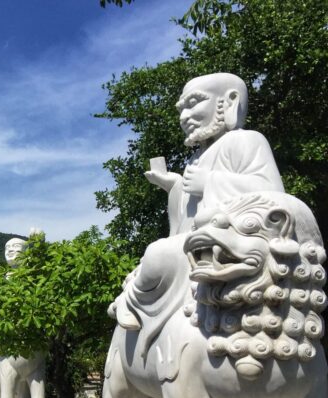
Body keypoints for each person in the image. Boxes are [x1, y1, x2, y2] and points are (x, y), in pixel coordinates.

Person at [109, 72, 284, 357]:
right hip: (193, 243)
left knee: (157, 254)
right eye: (181, 109)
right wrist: (174, 186)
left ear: (229, 102)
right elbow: (185, 216)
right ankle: (133, 301)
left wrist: (211, 182)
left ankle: (132, 301)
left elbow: (272, 193)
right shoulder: (195, 159)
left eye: (193, 103)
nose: (185, 115)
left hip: (225, 241)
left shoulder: (246, 141)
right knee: (153, 258)